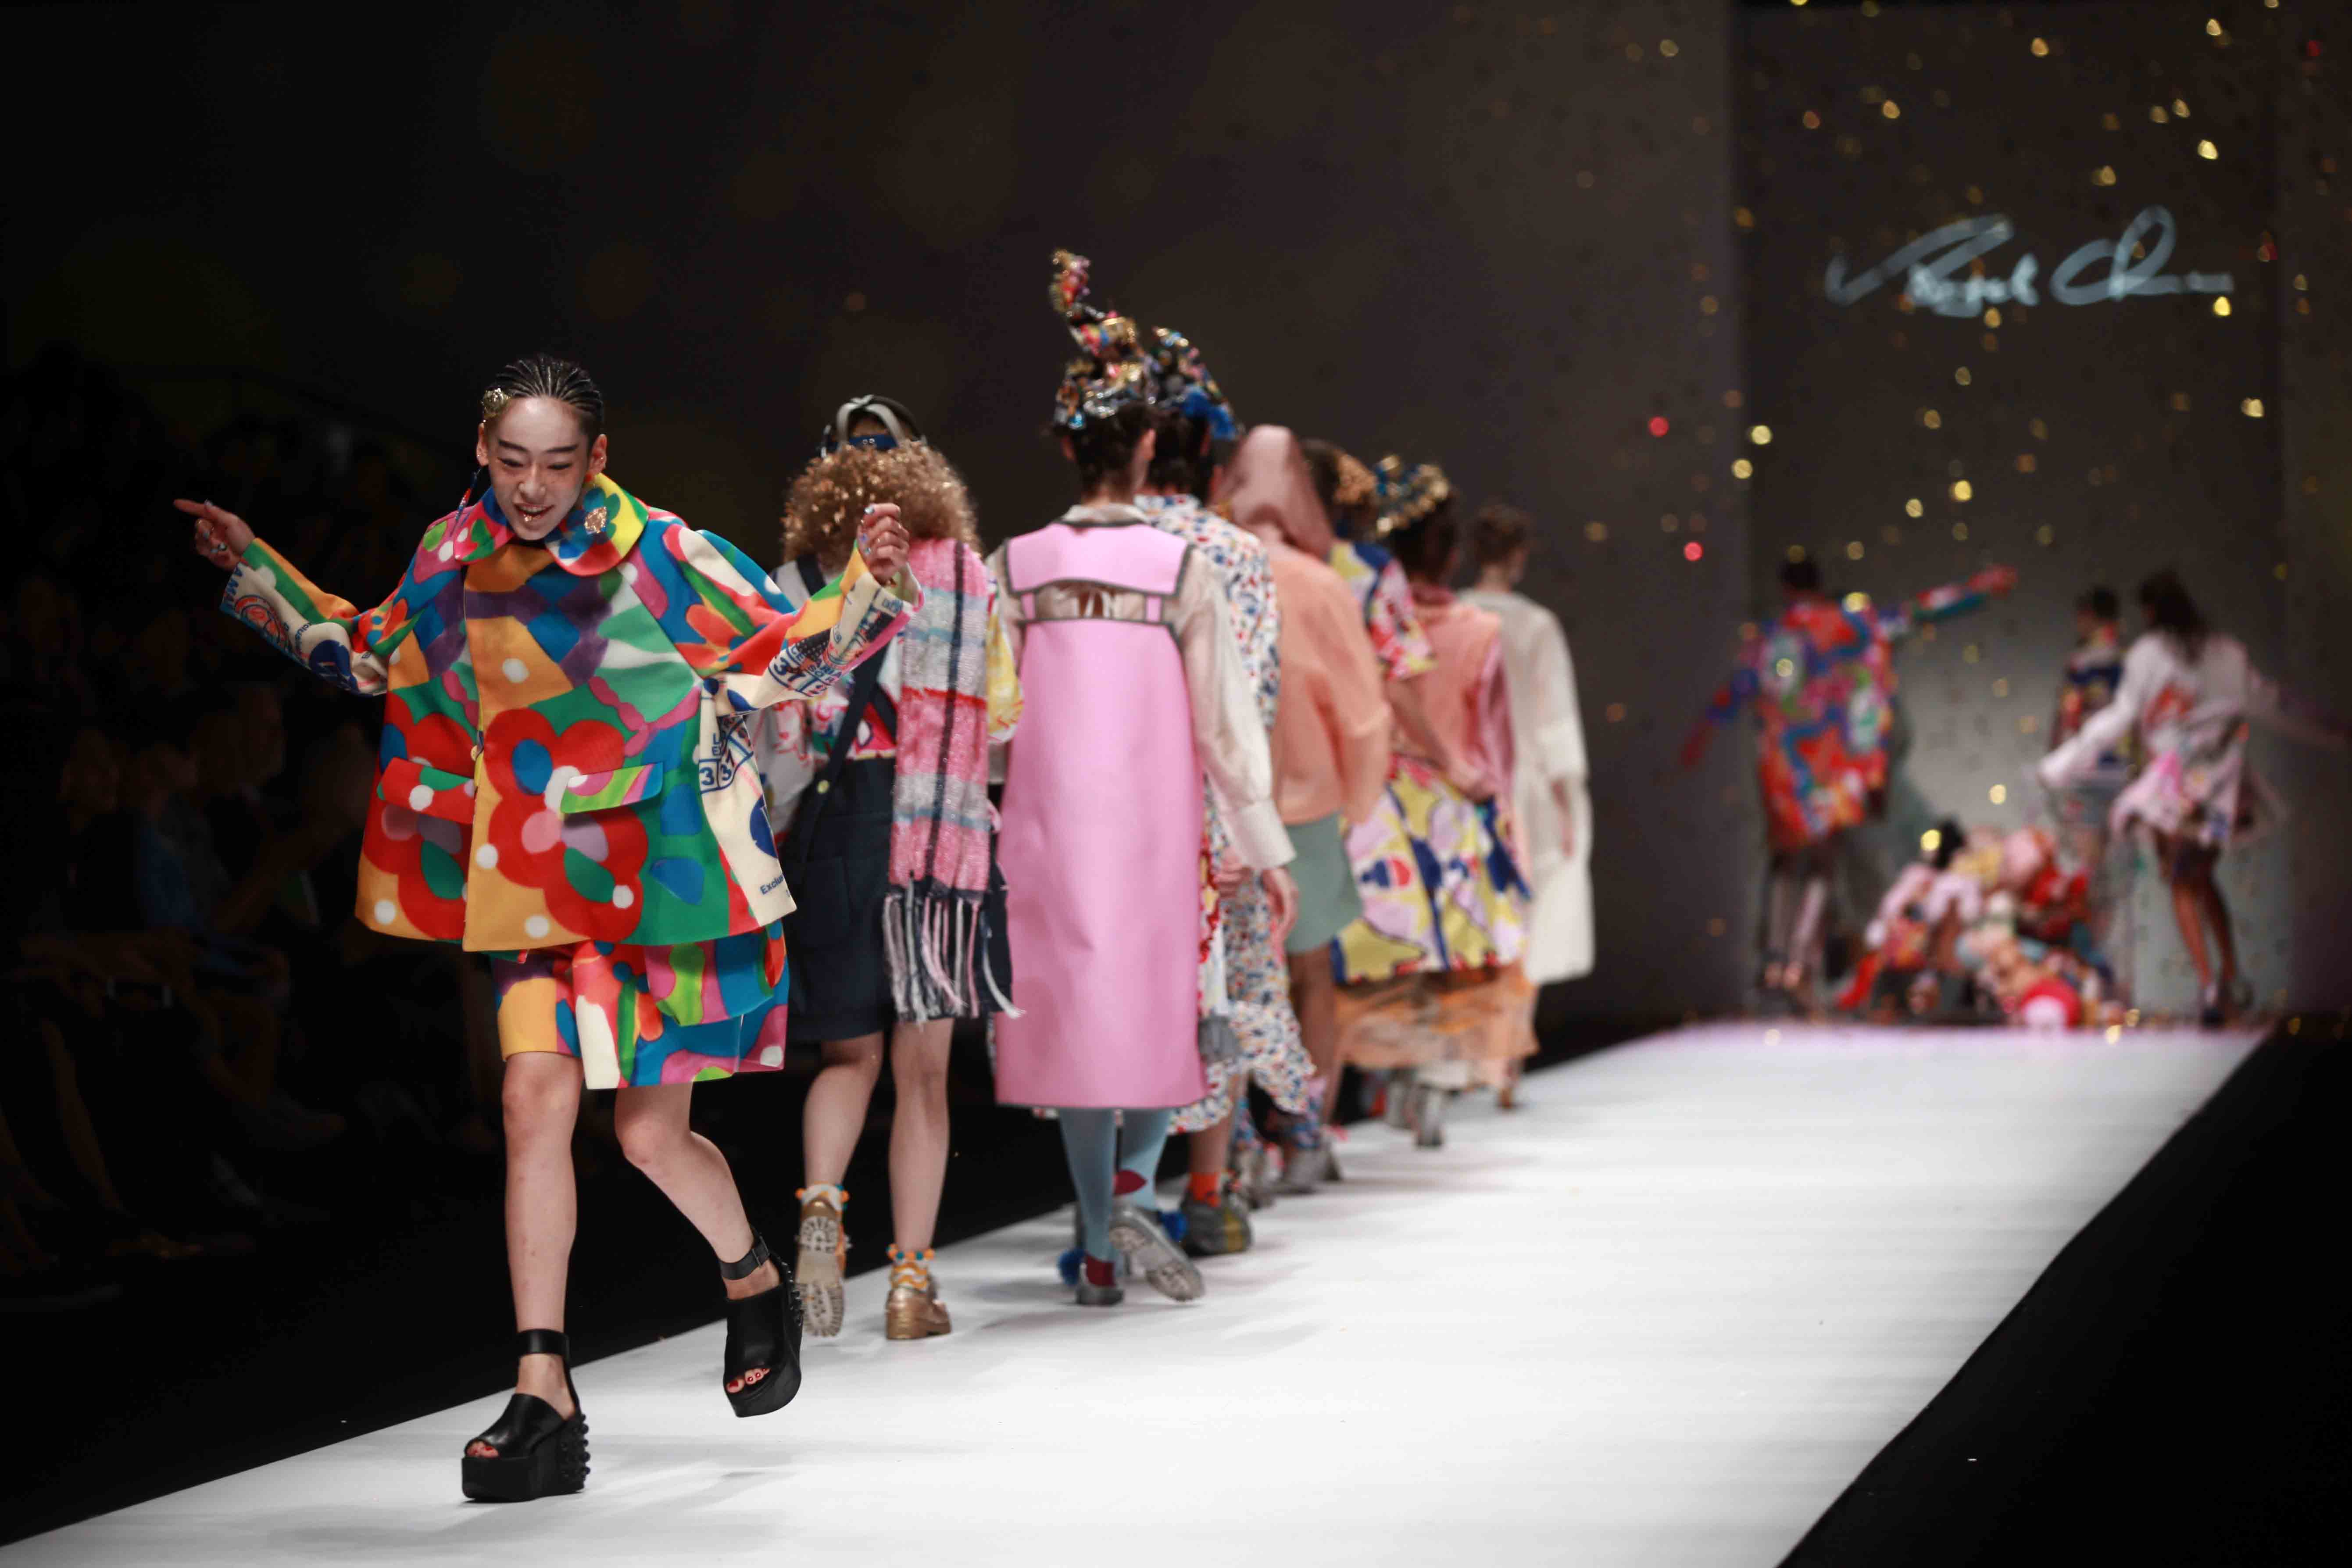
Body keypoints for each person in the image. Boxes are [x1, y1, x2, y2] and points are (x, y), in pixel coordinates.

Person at [182, 353, 918, 1500]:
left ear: (597, 458)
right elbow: (370, 652)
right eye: (514, 460)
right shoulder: (452, 553)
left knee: (647, 1135)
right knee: (532, 1100)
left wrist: (866, 584)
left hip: (662, 866)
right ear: (484, 450)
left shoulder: (658, 551)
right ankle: (542, 1392)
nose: (532, 486)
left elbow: (777, 658)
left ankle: (748, 1272)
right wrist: (256, 567)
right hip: (530, 868)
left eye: (558, 463)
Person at [990, 253, 1297, 1305]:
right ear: (1150, 446)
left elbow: (994, 721)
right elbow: (1225, 727)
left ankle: (1095, 1241)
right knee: (1167, 1018)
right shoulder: (1181, 567)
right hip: (1159, 826)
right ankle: (1128, 1194)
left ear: (1066, 447)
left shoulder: (1016, 563)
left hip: (1046, 826)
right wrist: (1263, 846)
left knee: (1080, 1029)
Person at [755, 404, 1020, 1341]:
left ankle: (821, 1209)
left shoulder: (793, 583)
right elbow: (999, 720)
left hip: (836, 830)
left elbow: (777, 741)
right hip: (935, 839)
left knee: (847, 1058)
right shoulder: (968, 579)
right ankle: (909, 1285)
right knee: (924, 1075)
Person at [1121, 314, 1315, 1255]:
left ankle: (1110, 1199)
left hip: (1108, 808)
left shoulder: (1087, 544)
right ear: (1207, 456)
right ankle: (1206, 1192)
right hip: (1207, 806)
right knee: (1222, 1000)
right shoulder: (1234, 553)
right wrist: (1244, 825)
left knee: (1117, 994)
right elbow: (1251, 699)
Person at [1681, 555, 2016, 1008]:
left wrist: (1699, 737)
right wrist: (1979, 587)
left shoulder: (1773, 636)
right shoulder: (1851, 624)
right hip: (1834, 767)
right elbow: (1919, 610)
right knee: (1823, 861)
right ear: (1820, 586)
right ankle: (1799, 962)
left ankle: (1776, 959)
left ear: (1785, 588)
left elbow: (1736, 689)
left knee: (1785, 860)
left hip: (1787, 767)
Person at [2039, 568, 2347, 1024]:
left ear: (2150, 611)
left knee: (2185, 880)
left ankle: (2212, 984)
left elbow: (2121, 716)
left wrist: (2061, 762)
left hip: (2176, 786)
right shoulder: (2224, 652)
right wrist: (2336, 732)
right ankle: (2225, 978)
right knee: (2196, 877)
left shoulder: (2151, 653)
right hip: (2213, 785)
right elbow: (2274, 703)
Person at [1330, 460, 1532, 1147]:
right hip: (1447, 801)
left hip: (1371, 799)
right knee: (1456, 953)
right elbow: (1492, 739)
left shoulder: (1357, 605)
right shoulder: (1477, 630)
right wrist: (1496, 804)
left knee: (1380, 952)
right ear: (1447, 551)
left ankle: (1380, 1079)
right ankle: (1433, 1083)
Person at [1218, 426, 1390, 1185]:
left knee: (1226, 980)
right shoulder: (1318, 582)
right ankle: (1305, 1132)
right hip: (1305, 800)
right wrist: (1358, 797)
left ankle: (1233, 1144)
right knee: (1311, 969)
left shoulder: (1205, 561)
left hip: (1219, 802)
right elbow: (1361, 709)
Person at [1461, 502, 1595, 1021]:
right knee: (1527, 913)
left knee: (1472, 912)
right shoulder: (1536, 624)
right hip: (1525, 787)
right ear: (1519, 555)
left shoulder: (1454, 615)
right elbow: (1555, 720)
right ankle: (1509, 1047)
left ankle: (1477, 1045)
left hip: (1461, 783)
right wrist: (1567, 803)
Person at [2044, 586, 2130, 988]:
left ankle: (2095, 971)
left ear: (2092, 616)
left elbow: (2068, 716)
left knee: (2088, 876)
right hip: (2125, 773)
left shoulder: (2082, 662)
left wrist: (2054, 758)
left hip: (2089, 772)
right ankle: (2110, 973)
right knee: (2115, 879)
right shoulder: (2130, 658)